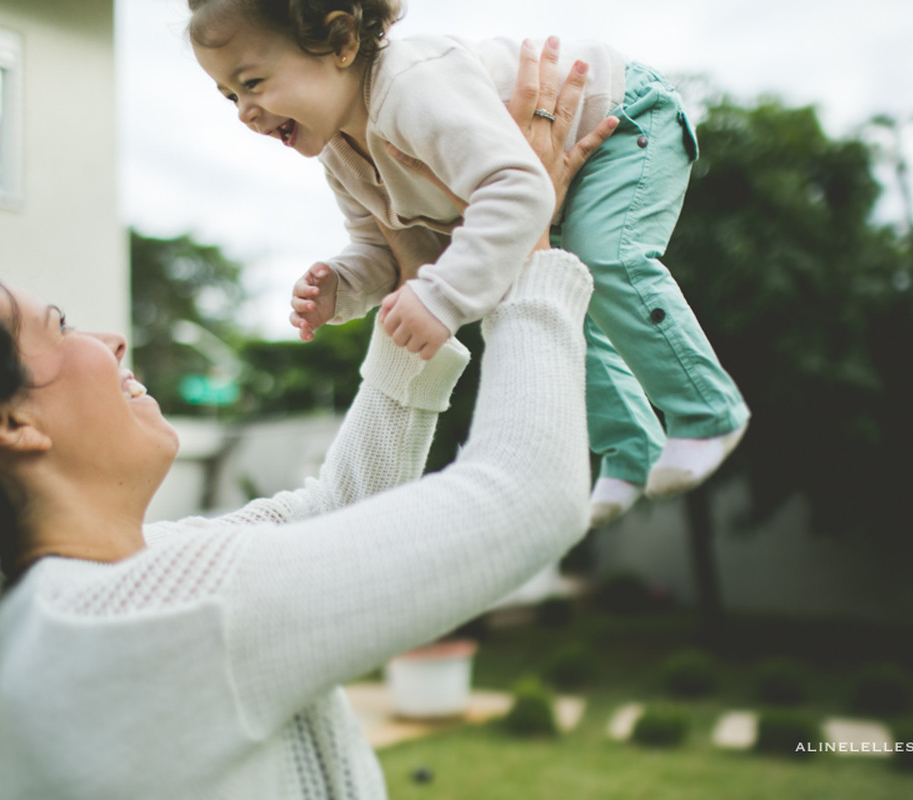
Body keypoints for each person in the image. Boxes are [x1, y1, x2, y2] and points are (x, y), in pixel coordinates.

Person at [0, 45, 607, 800]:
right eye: (59, 324)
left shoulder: (89, 600)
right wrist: (527, 248)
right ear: (9, 422)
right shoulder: (150, 620)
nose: (108, 340)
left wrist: (416, 284)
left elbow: (336, 513)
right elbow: (528, 495)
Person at [187, 1, 751, 527]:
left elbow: (516, 186)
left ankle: (707, 412)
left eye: (252, 83)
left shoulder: (411, 85)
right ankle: (629, 451)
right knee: (558, 295)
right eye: (228, 97)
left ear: (339, 40)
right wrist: (343, 286)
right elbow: (383, 247)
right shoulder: (341, 152)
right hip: (547, 176)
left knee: (603, 259)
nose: (244, 112)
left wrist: (441, 296)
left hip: (624, 120)